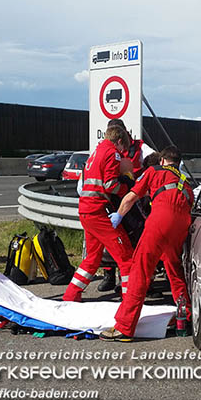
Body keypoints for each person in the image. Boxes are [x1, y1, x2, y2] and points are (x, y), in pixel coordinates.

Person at [101, 146, 194, 342]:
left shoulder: (153, 171)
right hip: (180, 227)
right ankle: (185, 314)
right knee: (174, 269)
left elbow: (131, 197)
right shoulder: (185, 183)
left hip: (160, 222)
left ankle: (125, 327)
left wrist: (119, 214)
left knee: (140, 269)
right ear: (179, 163)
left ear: (162, 161)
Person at [62, 125, 134, 302]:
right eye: (123, 148)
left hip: (86, 210)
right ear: (119, 142)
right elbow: (110, 185)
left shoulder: (95, 152)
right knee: (125, 256)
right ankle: (130, 299)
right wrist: (127, 188)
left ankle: (71, 295)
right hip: (99, 211)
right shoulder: (112, 153)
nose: (123, 152)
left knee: (92, 259)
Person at [97, 119, 155, 292]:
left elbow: (155, 161)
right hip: (113, 199)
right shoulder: (105, 149)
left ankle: (136, 281)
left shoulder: (139, 147)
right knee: (112, 242)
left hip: (134, 198)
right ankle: (110, 275)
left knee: (134, 238)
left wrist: (139, 184)